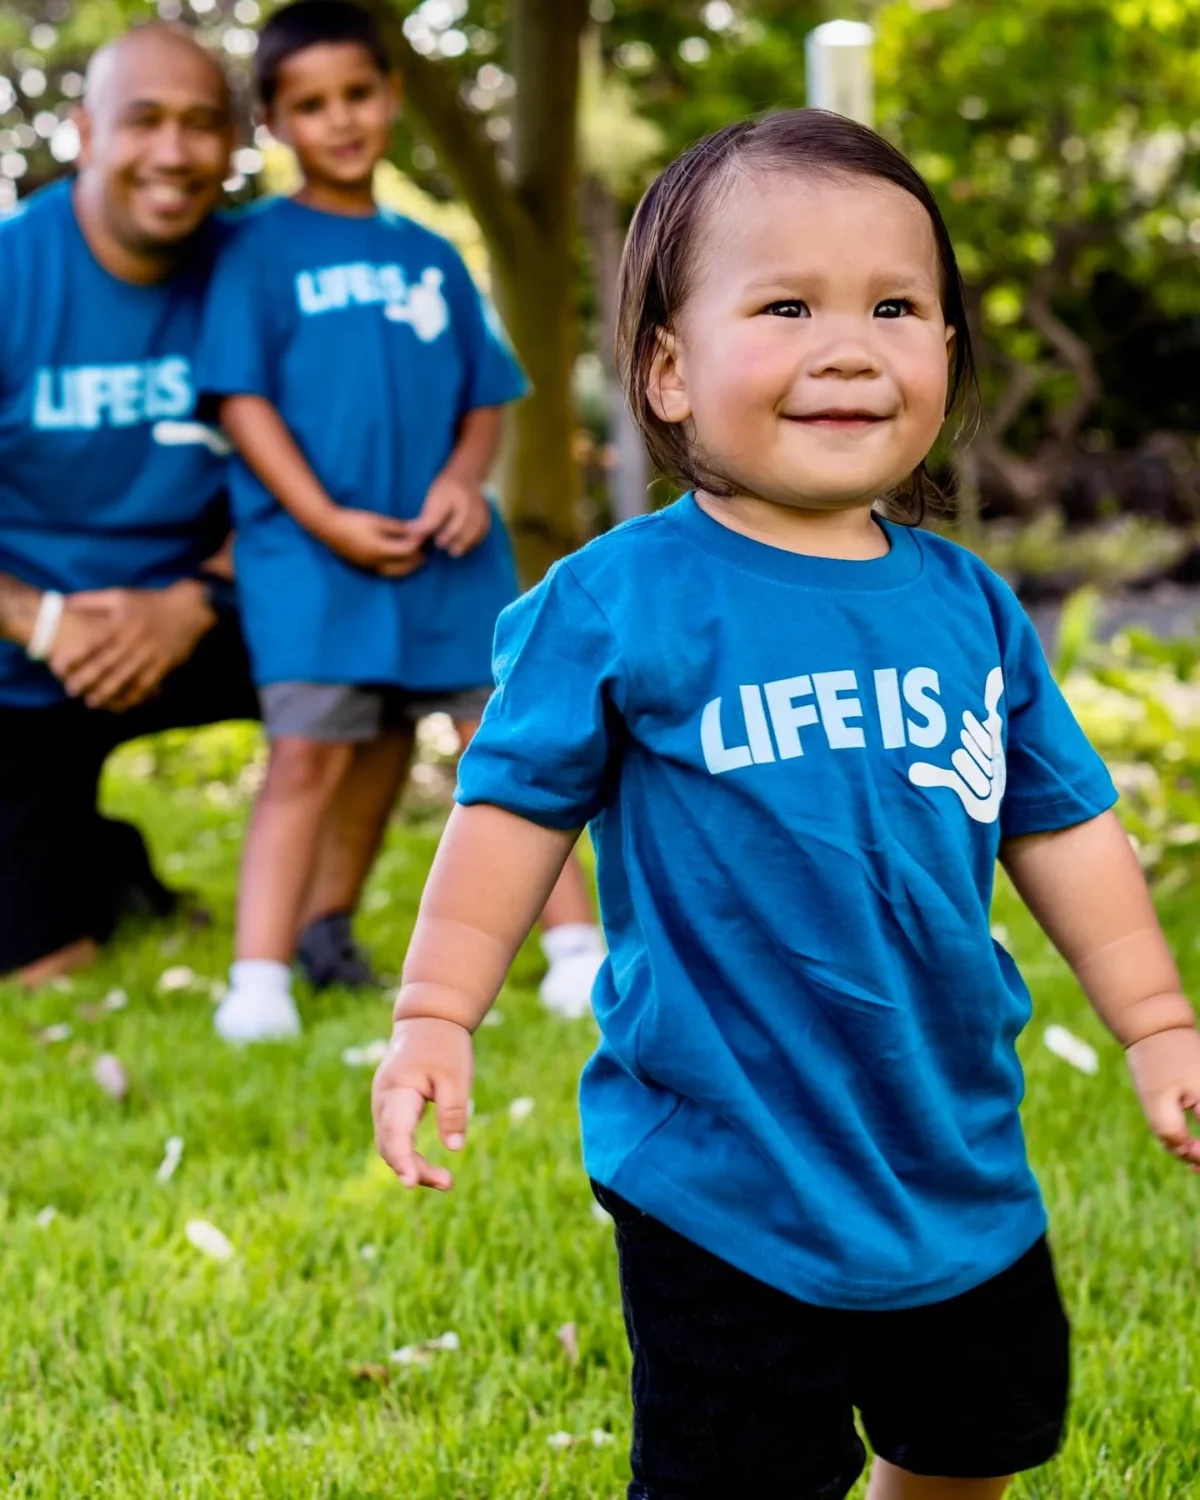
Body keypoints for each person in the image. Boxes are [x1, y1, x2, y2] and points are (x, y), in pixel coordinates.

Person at [372, 110, 1200, 1500]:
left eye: (895, 307)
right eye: (787, 307)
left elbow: (1059, 824)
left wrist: (1159, 1023)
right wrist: (435, 1012)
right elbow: (508, 813)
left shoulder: (970, 609)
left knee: (974, 1442)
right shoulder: (619, 601)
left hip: (949, 1142)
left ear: (949, 351)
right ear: (669, 370)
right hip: (721, 1174)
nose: (850, 346)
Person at [195, 0, 603, 1044]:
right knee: (304, 757)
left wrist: (466, 483)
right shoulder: (253, 251)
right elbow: (241, 401)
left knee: (504, 741)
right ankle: (258, 981)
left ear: (391, 97)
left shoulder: (430, 254)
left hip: (447, 554)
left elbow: (485, 395)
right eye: (311, 104)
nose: (340, 119)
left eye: (358, 94)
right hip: (309, 557)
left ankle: (577, 954)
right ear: (273, 122)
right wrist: (324, 517)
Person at [0, 24, 260, 987]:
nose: (173, 151)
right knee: (43, 967)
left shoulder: (263, 271)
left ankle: (314, 932)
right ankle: (105, 870)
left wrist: (194, 598)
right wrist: (44, 621)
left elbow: (346, 472)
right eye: (144, 120)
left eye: (201, 124)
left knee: (385, 609)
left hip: (213, 614)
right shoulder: (12, 272)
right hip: (31, 646)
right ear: (85, 132)